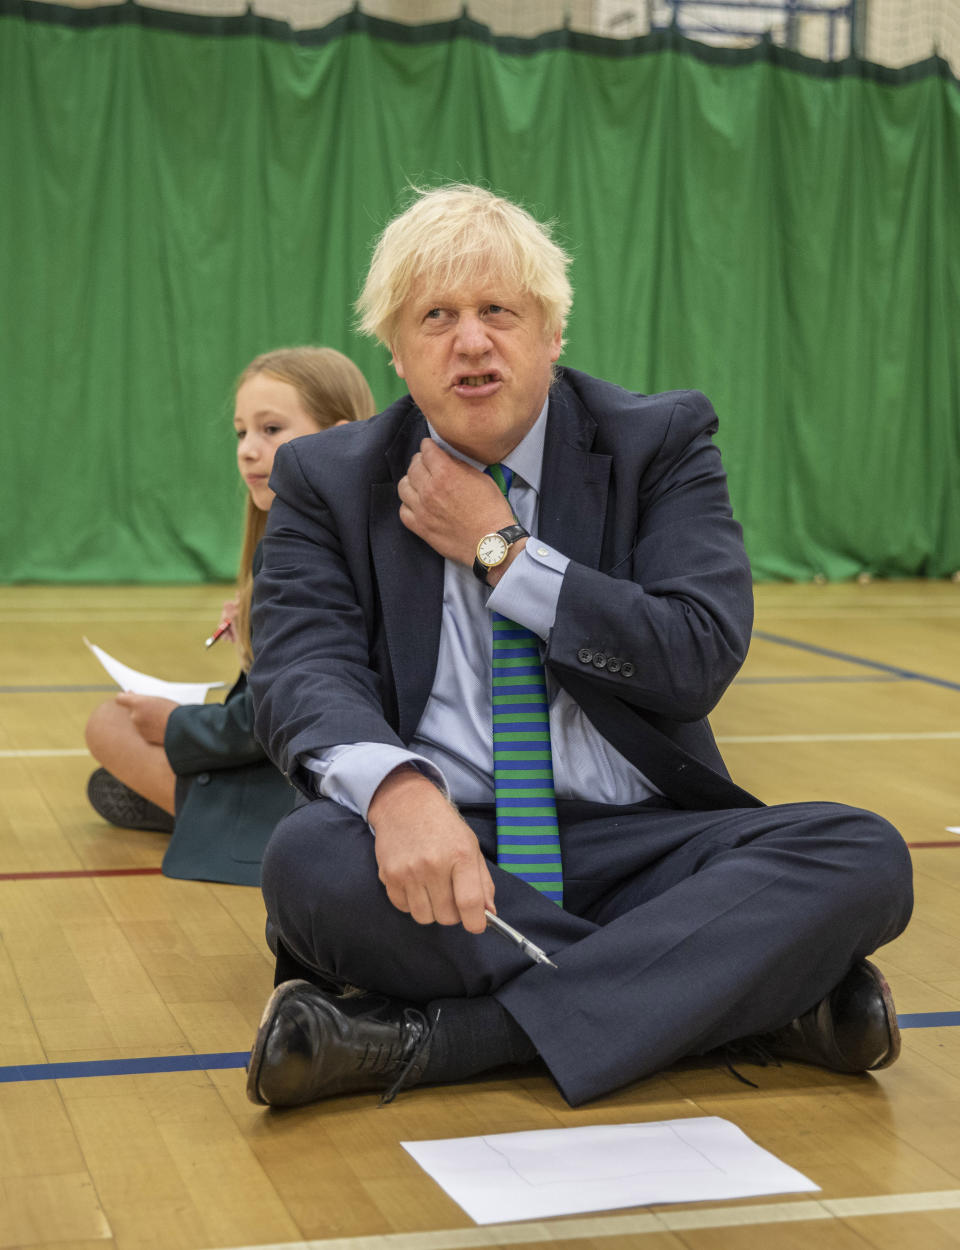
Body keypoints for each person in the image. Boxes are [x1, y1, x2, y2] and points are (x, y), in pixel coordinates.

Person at [244, 185, 913, 1109]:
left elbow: (697, 653)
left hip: (643, 846)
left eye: (498, 312)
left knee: (860, 853)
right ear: (395, 351)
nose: (471, 341)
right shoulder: (328, 475)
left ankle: (437, 1041)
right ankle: (742, 1001)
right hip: (448, 845)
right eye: (435, 316)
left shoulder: (659, 442)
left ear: (552, 335)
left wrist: (502, 553)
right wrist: (398, 793)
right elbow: (299, 668)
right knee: (307, 861)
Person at [84, 346, 375, 886]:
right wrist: (255, 638)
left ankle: (203, 816)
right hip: (318, 765)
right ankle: (191, 804)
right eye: (242, 433)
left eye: (270, 429)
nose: (248, 450)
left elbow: (266, 722)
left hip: (306, 782)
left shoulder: (300, 550)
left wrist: (174, 723)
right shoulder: (348, 532)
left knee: (109, 724)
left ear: (337, 435)